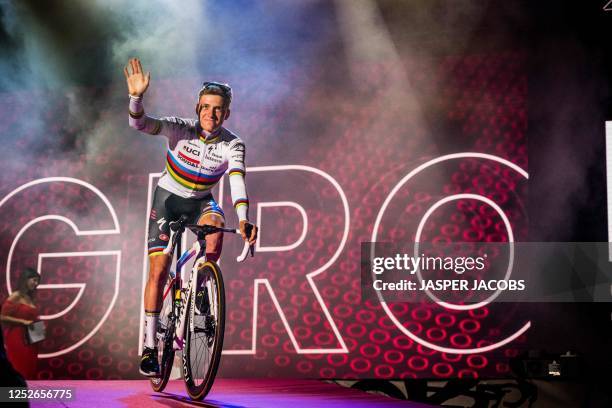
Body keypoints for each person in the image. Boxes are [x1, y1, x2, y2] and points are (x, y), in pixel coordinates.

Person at [124, 58, 258, 376]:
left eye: (219, 110)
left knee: (215, 232)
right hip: (168, 201)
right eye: (206, 107)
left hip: (200, 203)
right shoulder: (179, 128)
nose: (211, 115)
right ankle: (148, 348)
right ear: (198, 107)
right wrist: (136, 98)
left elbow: (237, 180)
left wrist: (244, 218)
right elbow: (140, 124)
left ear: (227, 113)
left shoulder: (233, 144)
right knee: (158, 270)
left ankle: (201, 291)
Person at [0, 267, 42, 380]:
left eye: (37, 281)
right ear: (25, 279)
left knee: (30, 366)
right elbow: (2, 317)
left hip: (32, 336)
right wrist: (23, 322)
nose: (36, 283)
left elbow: (32, 318)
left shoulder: (30, 297)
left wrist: (39, 328)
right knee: (19, 367)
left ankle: (25, 396)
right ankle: (12, 397)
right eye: (34, 280)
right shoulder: (16, 295)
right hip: (17, 336)